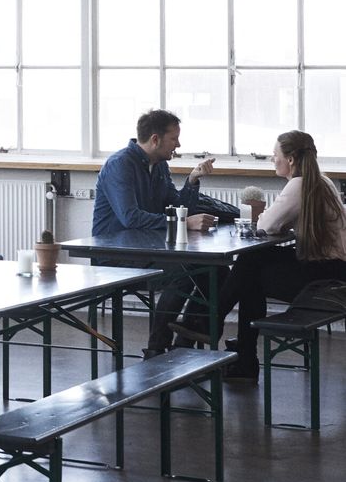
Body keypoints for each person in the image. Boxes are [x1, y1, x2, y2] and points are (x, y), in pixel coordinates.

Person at [172, 131, 346, 380]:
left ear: (291, 160)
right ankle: (238, 352)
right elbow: (277, 225)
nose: (272, 160)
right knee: (252, 267)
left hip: (324, 279)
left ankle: (218, 330)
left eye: (275, 156)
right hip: (336, 269)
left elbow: (266, 224)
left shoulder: (297, 185)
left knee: (250, 271)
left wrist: (275, 222)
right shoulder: (322, 181)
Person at [93, 108, 218, 358]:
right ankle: (156, 349)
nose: (178, 144)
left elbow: (176, 206)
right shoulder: (120, 165)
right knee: (181, 273)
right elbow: (130, 217)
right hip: (116, 255)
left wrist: (192, 180)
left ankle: (186, 339)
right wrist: (185, 223)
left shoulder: (159, 166)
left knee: (214, 269)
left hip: (148, 249)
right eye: (174, 139)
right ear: (155, 139)